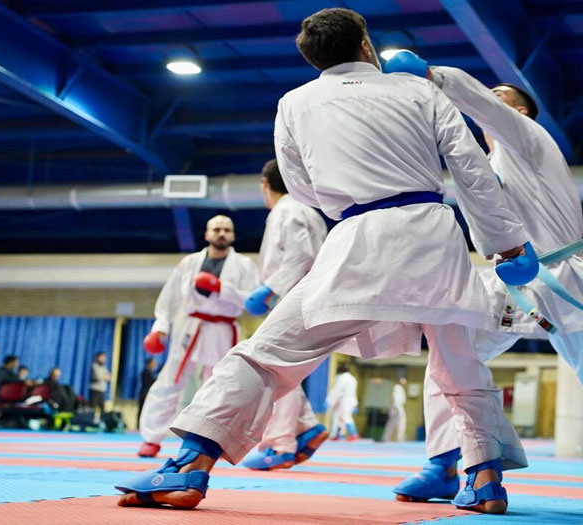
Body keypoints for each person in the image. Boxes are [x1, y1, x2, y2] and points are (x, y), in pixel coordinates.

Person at [116, 7, 530, 514]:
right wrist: (506, 242)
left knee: (268, 352)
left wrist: (349, 198)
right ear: (365, 45)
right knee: (459, 362)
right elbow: (471, 168)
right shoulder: (419, 90)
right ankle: (485, 480)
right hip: (432, 236)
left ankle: (189, 464)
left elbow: (302, 185)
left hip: (357, 237)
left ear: (314, 58)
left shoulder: (295, 102)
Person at [383, 54, 583, 506]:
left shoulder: (530, 139)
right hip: (505, 282)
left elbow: (482, 104)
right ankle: (443, 463)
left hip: (564, 276)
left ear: (520, 111)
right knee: (449, 359)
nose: (489, 99)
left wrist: (432, 75)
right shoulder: (479, 162)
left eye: (499, 96)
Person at [137, 214, 261, 457]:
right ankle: (151, 438)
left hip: (223, 328)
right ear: (207, 234)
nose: (221, 233)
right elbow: (169, 298)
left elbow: (253, 301)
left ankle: (209, 439)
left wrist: (222, 288)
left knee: (220, 385)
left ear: (233, 235)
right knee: (170, 380)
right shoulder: (189, 262)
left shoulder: (245, 265)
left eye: (226, 229)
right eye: (216, 229)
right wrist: (160, 327)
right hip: (190, 326)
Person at [240, 158, 330, 471]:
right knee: (283, 369)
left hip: (294, 298)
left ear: (264, 185)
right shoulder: (307, 211)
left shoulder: (287, 210)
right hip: (305, 298)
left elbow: (300, 256)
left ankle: (280, 445)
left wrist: (269, 287)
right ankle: (306, 428)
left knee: (274, 369)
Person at [327, 364, 359, 441]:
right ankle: (339, 435)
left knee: (345, 417)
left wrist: (329, 401)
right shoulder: (352, 378)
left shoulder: (342, 378)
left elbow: (337, 390)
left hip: (345, 400)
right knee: (340, 418)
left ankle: (354, 434)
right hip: (349, 400)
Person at [382, 377, 408, 442]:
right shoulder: (397, 387)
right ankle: (399, 438)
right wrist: (398, 408)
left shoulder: (400, 388)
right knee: (401, 421)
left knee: (392, 423)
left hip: (396, 407)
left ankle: (386, 437)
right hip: (397, 407)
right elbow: (395, 398)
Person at [89, 352, 111, 418]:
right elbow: (98, 377)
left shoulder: (104, 367)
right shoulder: (94, 366)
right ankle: (91, 420)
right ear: (97, 357)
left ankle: (102, 421)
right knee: (93, 407)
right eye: (102, 357)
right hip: (95, 390)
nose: (103, 359)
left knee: (102, 408)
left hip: (102, 390)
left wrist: (105, 377)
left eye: (104, 358)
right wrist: (104, 377)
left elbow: (109, 377)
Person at [138, 358, 158, 422]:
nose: (154, 365)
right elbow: (154, 380)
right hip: (144, 394)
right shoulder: (146, 371)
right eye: (153, 363)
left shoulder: (150, 372)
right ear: (149, 364)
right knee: (142, 410)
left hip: (147, 394)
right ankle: (139, 424)